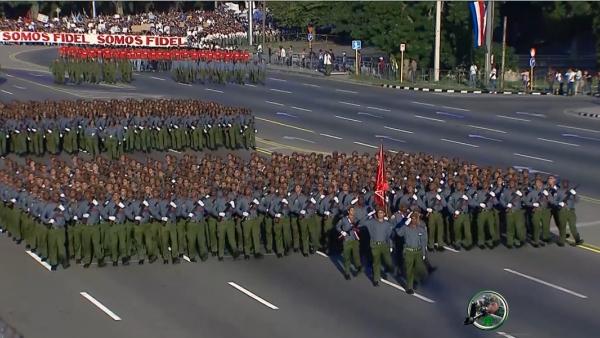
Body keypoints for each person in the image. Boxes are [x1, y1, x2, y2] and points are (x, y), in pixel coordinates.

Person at [395, 211, 428, 294]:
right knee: (409, 269)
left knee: (417, 268)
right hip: (409, 251)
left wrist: (424, 253)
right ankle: (409, 287)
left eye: (415, 218)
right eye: (412, 218)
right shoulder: (405, 228)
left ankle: (415, 280)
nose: (413, 220)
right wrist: (405, 224)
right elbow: (399, 233)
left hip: (418, 251)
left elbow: (423, 242)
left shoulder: (421, 229)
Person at [365, 207, 394, 286]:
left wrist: (390, 245)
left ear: (384, 214)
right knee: (376, 262)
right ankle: (375, 279)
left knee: (388, 261)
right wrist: (369, 214)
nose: (380, 214)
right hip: (375, 245)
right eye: (378, 213)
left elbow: (389, 236)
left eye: (381, 212)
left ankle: (387, 270)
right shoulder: (372, 222)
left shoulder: (387, 224)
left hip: (384, 245)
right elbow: (362, 222)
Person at [553, 180, 583, 246]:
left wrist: (574, 194)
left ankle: (577, 240)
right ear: (562, 184)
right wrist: (560, 203)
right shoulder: (559, 191)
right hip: (562, 212)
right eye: (564, 183)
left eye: (566, 183)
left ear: (568, 184)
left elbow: (577, 201)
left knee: (573, 226)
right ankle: (561, 241)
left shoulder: (572, 192)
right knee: (562, 226)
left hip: (571, 212)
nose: (565, 184)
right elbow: (554, 201)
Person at [336, 205, 362, 280]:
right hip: (347, 240)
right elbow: (337, 226)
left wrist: (356, 229)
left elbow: (359, 229)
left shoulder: (356, 220)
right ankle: (347, 272)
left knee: (356, 255)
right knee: (347, 257)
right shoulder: (344, 219)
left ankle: (358, 267)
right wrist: (342, 232)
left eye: (354, 210)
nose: (353, 212)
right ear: (348, 211)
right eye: (351, 210)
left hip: (355, 240)